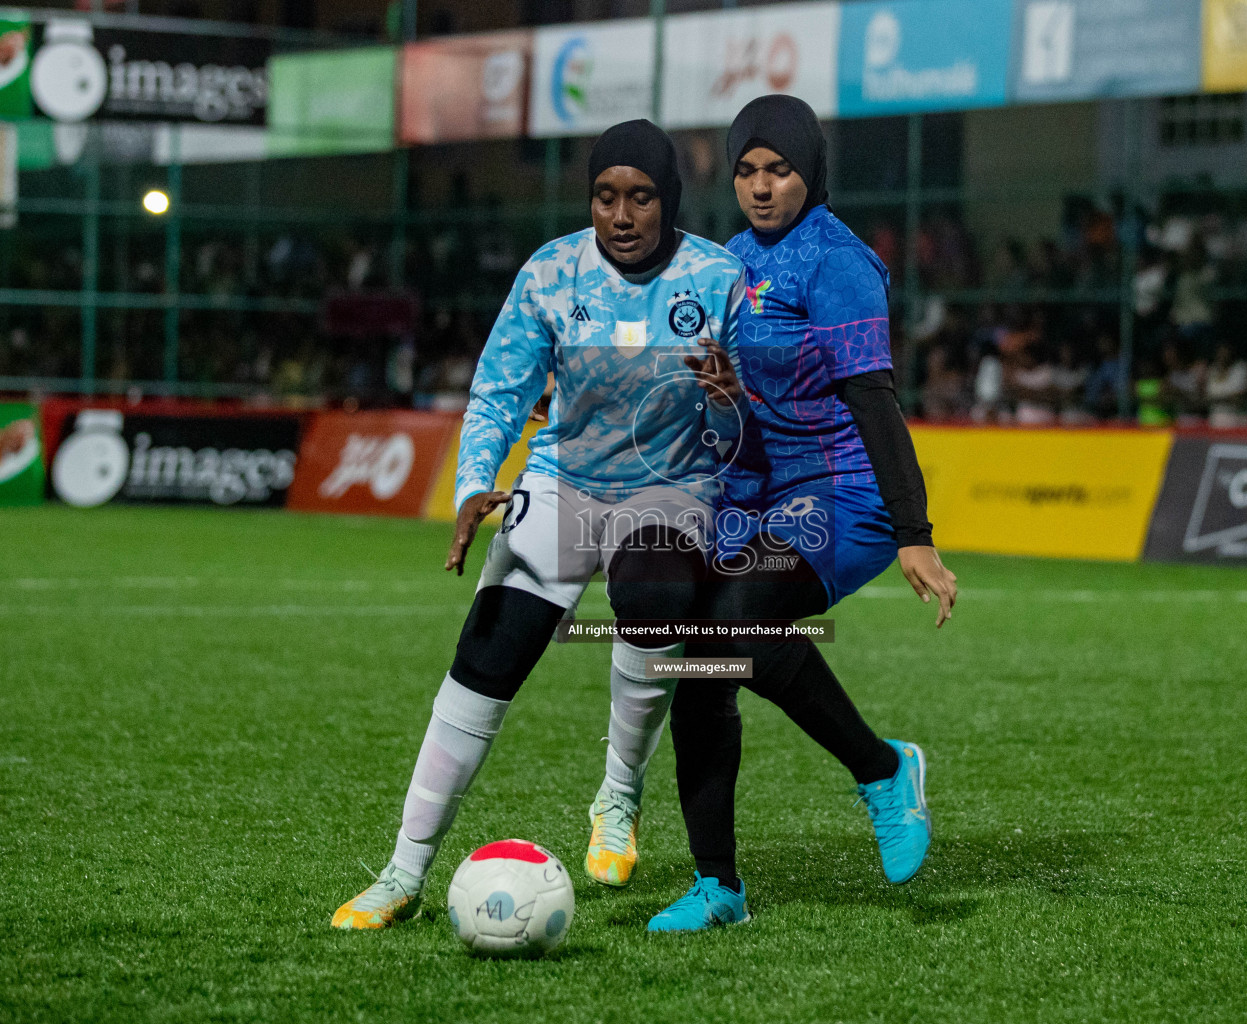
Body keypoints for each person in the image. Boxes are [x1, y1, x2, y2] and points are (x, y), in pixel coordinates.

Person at [330, 119, 746, 929]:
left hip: (670, 487)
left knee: (654, 590)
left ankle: (618, 795)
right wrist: (473, 485)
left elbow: (737, 437)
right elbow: (499, 391)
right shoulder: (551, 272)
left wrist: (728, 398)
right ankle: (402, 871)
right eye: (605, 196)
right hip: (565, 484)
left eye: (641, 197)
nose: (621, 215)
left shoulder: (718, 277)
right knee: (491, 650)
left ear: (670, 200)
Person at [600, 95, 959, 933]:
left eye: (780, 170)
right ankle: (718, 886)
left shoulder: (838, 262)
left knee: (738, 620)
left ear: (811, 172)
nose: (762, 188)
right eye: (748, 171)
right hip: (751, 488)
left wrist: (915, 534)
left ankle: (882, 772)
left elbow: (875, 402)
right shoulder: (725, 259)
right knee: (703, 660)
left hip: (843, 489)